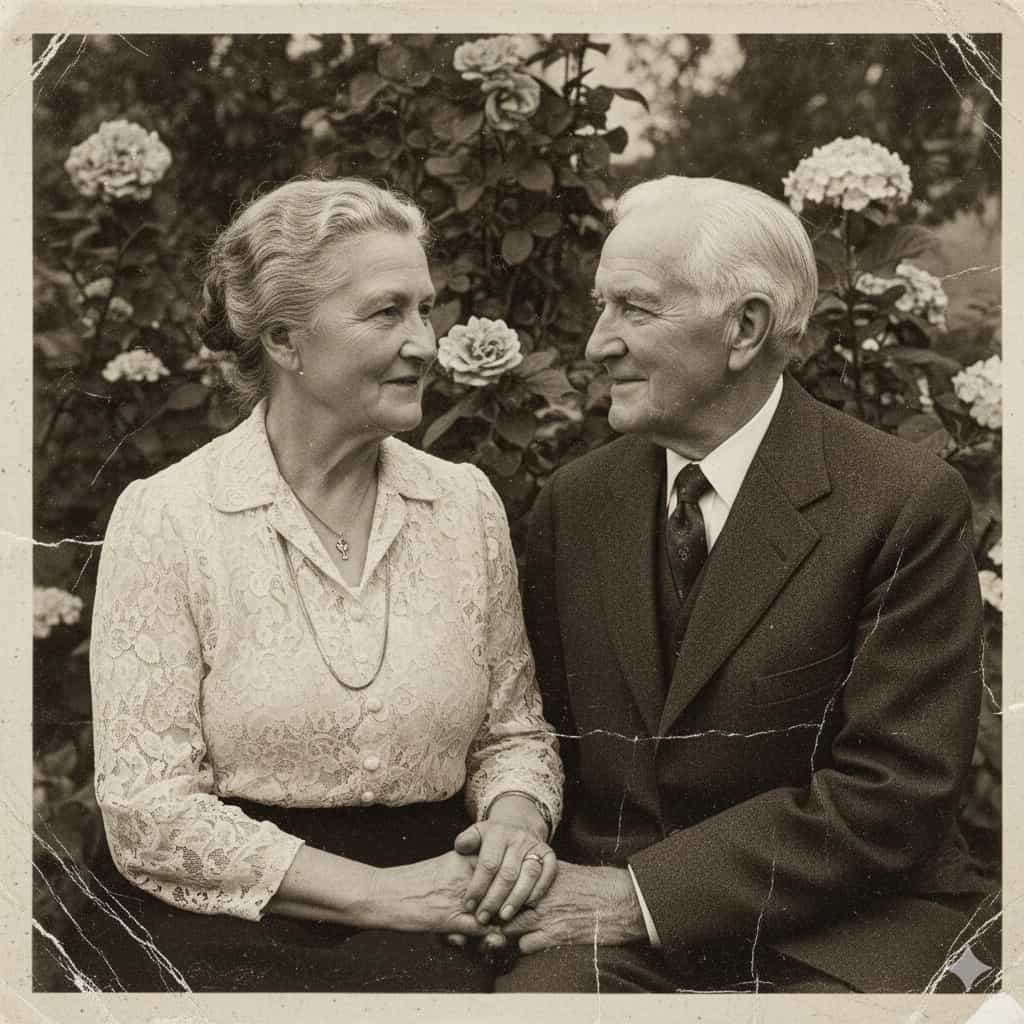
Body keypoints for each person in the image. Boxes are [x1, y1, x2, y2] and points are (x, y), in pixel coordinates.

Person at [494, 176, 996, 993]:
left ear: (746, 327)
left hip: (843, 933)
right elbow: (550, 744)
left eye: (635, 308)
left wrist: (643, 899)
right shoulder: (577, 502)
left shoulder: (901, 499)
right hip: (616, 942)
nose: (597, 344)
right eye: (600, 306)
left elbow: (895, 792)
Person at [77, 178, 562, 993]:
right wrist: (377, 896)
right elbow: (145, 807)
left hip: (446, 895)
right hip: (229, 919)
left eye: (424, 308)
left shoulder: (462, 503)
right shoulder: (168, 515)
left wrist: (515, 822)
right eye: (386, 313)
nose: (424, 342)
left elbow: (513, 734)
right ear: (284, 341)